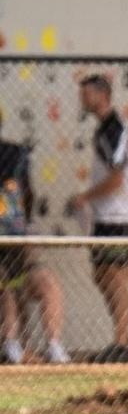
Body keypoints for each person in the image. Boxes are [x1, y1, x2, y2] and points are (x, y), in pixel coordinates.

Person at [71, 74, 128, 364]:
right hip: (104, 215)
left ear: (103, 94)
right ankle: (122, 338)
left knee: (114, 275)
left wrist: (85, 197)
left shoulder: (114, 129)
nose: (83, 100)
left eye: (87, 94)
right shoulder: (103, 129)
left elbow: (117, 178)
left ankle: (122, 342)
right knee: (101, 274)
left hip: (117, 215)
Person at [0, 110, 69, 364]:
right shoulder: (16, 156)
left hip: (16, 240)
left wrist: (24, 228)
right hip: (9, 244)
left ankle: (52, 346)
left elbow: (28, 194)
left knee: (44, 283)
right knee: (7, 288)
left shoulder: (16, 155)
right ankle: (13, 346)